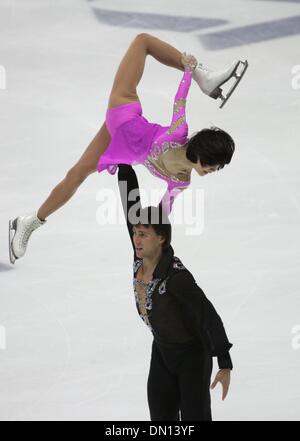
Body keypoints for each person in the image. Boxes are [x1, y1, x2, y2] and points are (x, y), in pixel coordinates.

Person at [9, 33, 247, 263]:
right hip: (124, 113)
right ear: (203, 153)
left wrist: (154, 243)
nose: (214, 170)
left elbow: (161, 213)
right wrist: (188, 71)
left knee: (77, 174)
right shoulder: (178, 133)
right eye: (214, 164)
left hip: (121, 144)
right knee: (143, 41)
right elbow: (180, 100)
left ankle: (29, 221)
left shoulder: (181, 181)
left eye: (218, 168)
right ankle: (203, 76)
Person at [117, 163, 233, 421]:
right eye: (135, 233)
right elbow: (130, 203)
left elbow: (208, 314)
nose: (136, 239)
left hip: (192, 358)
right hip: (161, 352)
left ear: (161, 239)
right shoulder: (141, 255)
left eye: (143, 234)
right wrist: (124, 161)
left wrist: (224, 362)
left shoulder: (177, 278)